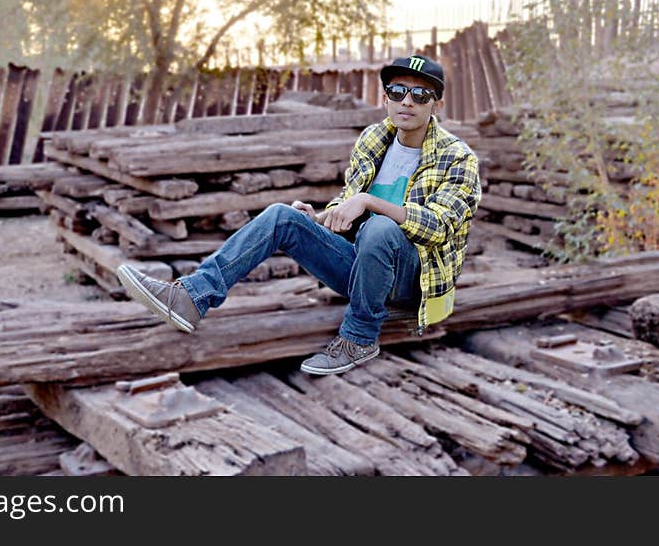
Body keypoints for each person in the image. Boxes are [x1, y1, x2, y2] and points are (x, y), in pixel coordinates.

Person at [116, 53, 481, 376]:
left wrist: (369, 202)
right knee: (282, 216)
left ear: (437, 104)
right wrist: (321, 217)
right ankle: (191, 297)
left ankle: (358, 339)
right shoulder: (374, 139)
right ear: (385, 97)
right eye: (398, 91)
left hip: (411, 288)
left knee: (381, 229)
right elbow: (350, 205)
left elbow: (439, 226)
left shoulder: (458, 156)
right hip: (365, 270)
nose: (407, 101)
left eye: (420, 95)